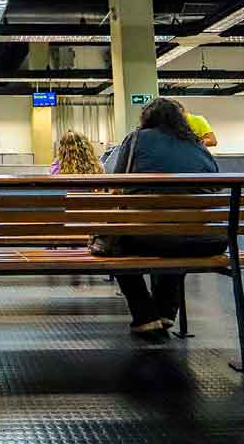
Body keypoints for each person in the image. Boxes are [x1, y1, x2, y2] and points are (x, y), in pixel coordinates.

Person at [93, 97, 223, 337]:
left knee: (116, 245)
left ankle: (144, 315)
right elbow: (215, 186)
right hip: (204, 240)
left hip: (147, 236)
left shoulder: (136, 138)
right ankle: (165, 312)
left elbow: (118, 183)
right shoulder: (196, 143)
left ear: (147, 118)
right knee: (176, 237)